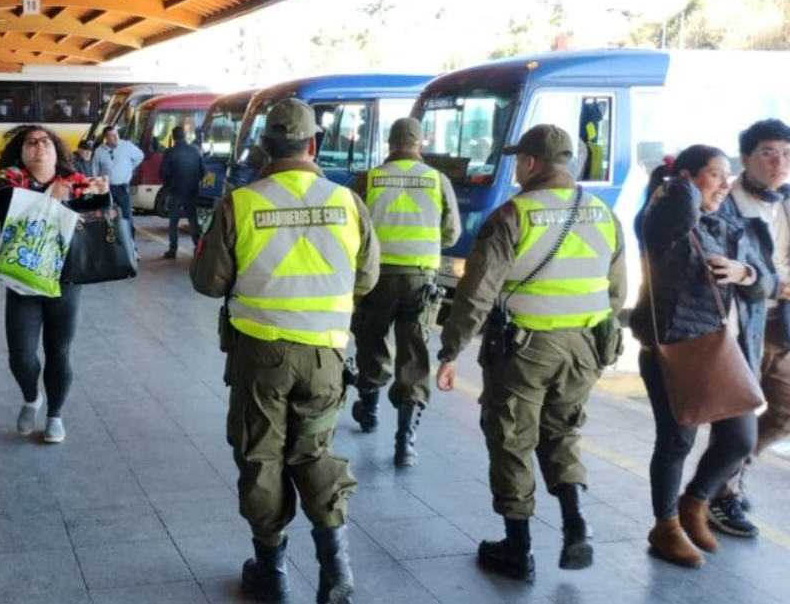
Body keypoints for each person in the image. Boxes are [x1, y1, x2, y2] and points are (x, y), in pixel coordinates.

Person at [191, 99, 379, 604]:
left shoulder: (241, 202)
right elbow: (367, 278)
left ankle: (272, 572)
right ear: (312, 144)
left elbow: (208, 283)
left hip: (260, 359)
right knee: (314, 451)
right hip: (326, 358)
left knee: (261, 456)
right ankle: (335, 566)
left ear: (263, 148)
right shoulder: (346, 202)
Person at [436, 125, 626, 581]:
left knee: (511, 439)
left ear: (531, 163)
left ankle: (517, 548)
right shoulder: (602, 213)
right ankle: (576, 522)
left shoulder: (513, 214)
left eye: (519, 158)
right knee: (562, 433)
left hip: (526, 351)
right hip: (585, 348)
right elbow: (617, 291)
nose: (517, 165)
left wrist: (450, 351)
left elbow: (477, 294)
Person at [631, 144, 771, 568]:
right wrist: (679, 183)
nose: (726, 183)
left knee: (740, 439)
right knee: (676, 441)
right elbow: (678, 213)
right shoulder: (664, 221)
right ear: (688, 179)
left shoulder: (730, 225)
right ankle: (666, 525)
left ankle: (694, 503)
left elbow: (765, 281)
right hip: (675, 348)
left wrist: (743, 273)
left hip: (724, 350)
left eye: (727, 175)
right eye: (715, 174)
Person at [349, 117, 461, 466]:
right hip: (421, 281)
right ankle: (405, 441)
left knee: (370, 340)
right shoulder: (437, 180)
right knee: (413, 352)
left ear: (389, 143)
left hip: (377, 278)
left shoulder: (368, 179)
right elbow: (452, 234)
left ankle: (369, 413)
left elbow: (352, 231)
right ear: (420, 145)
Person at [0, 125, 108, 444]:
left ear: (57, 149)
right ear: (21, 151)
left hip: (66, 280)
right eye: (31, 143)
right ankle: (32, 398)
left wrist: (102, 192)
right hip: (23, 279)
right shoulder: (9, 179)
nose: (39, 147)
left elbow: (98, 212)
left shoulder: (73, 179)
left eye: (46, 142)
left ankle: (55, 414)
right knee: (21, 354)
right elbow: (7, 208)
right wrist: (51, 197)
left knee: (59, 351)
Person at [710, 119, 790, 537]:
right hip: (741, 326)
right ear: (746, 158)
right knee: (736, 417)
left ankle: (728, 477)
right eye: (769, 153)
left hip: (784, 323)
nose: (779, 162)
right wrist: (774, 282)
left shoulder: (788, 200)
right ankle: (721, 495)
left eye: (786, 153)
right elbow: (728, 271)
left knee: (784, 412)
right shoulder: (727, 202)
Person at [91, 125, 144, 254]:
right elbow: (95, 170)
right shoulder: (99, 151)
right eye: (112, 136)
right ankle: (105, 246)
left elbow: (140, 156)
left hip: (122, 188)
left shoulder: (126, 146)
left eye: (117, 135)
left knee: (126, 217)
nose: (116, 138)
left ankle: (130, 246)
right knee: (104, 216)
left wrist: (129, 168)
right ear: (106, 138)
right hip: (106, 188)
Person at [159, 125, 205, 259]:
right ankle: (197, 246)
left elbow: (162, 173)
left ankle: (172, 250)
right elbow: (202, 172)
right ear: (185, 136)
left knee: (173, 221)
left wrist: (170, 180)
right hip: (192, 190)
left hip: (175, 190)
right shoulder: (196, 151)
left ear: (173, 137)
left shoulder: (170, 152)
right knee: (192, 219)